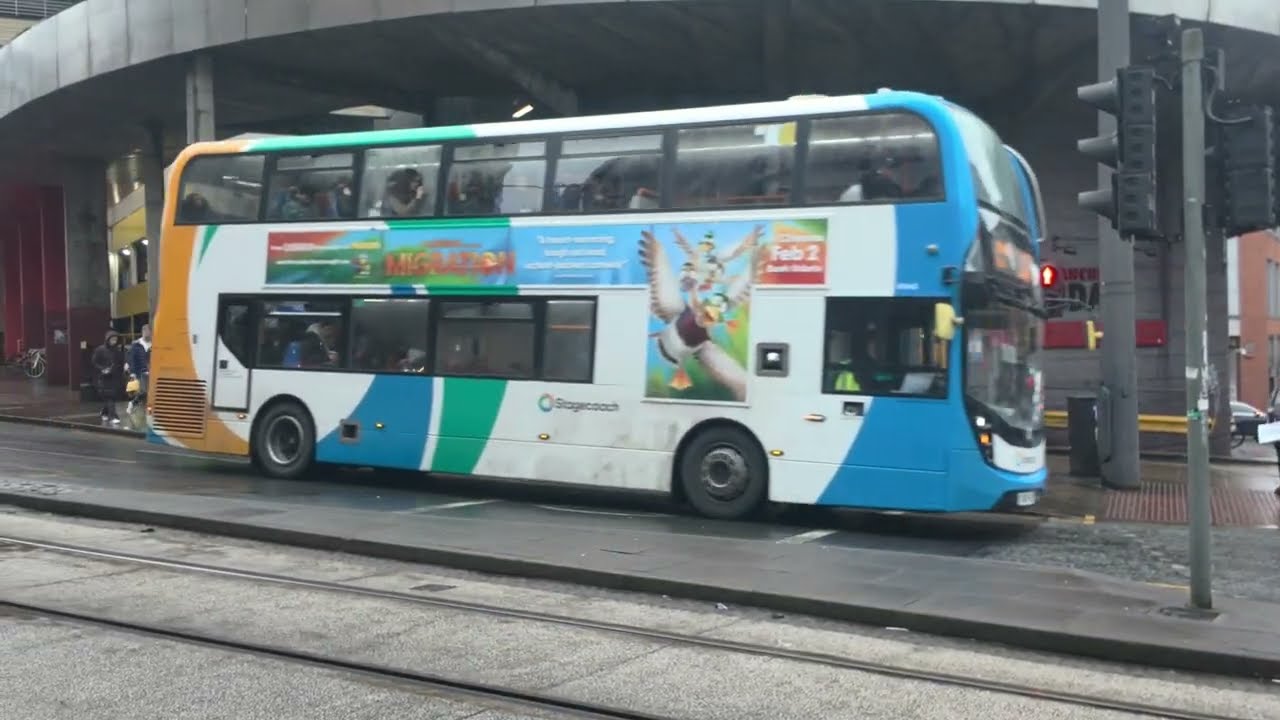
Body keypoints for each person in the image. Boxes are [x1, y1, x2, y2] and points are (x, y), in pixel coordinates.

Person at [91, 330, 127, 425]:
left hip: (116, 377)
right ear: (108, 339)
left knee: (113, 396)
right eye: (112, 339)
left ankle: (104, 412)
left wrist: (126, 366)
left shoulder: (118, 351)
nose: (114, 341)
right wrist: (102, 369)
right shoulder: (100, 350)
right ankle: (113, 416)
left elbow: (121, 362)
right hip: (104, 377)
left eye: (115, 339)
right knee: (109, 396)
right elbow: (94, 362)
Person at [125, 324, 151, 415]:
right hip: (140, 371)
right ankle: (132, 403)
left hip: (151, 371)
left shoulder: (153, 344)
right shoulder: (137, 344)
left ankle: (146, 410)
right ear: (143, 332)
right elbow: (131, 358)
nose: (148, 334)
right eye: (146, 331)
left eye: (149, 332)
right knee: (143, 391)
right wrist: (132, 371)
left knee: (149, 392)